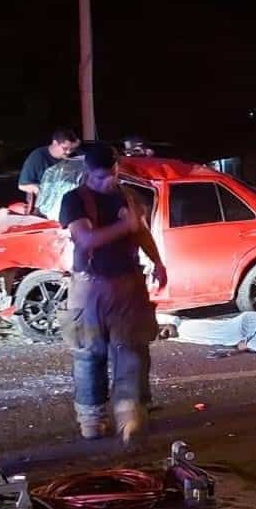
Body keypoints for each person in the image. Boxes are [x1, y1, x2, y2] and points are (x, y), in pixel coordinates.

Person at [59, 141, 168, 442]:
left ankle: (130, 415)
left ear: (117, 168)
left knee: (131, 349)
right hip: (90, 287)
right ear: (87, 173)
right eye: (99, 177)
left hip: (128, 285)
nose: (107, 182)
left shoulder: (128, 197)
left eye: (111, 175)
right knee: (89, 354)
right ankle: (91, 419)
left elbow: (142, 232)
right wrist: (126, 226)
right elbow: (86, 240)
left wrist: (157, 261)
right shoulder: (74, 200)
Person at [19, 128, 81, 211]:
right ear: (55, 143)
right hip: (43, 204)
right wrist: (39, 190)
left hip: (68, 202)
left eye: (72, 149)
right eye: (65, 148)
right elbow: (22, 185)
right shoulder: (37, 157)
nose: (68, 152)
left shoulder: (74, 156)